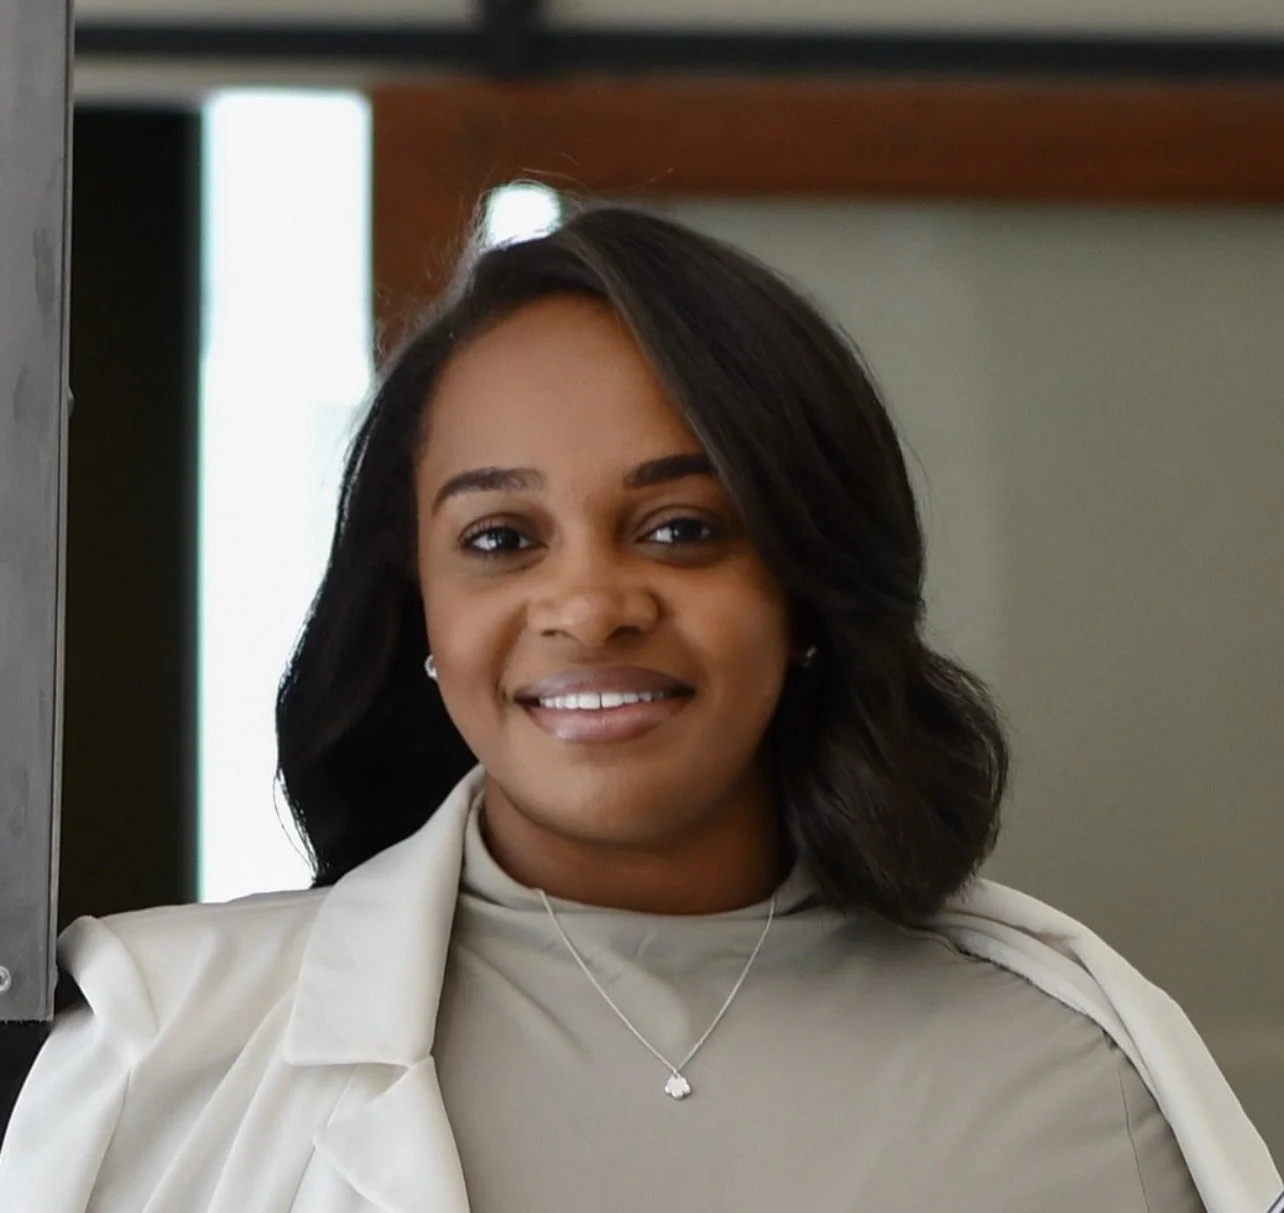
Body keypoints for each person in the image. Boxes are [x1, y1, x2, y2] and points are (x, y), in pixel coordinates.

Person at [0, 203, 1278, 1213]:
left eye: (682, 528)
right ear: (419, 617)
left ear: (808, 586)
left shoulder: (1073, 1075)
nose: (592, 603)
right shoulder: (160, 1052)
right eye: (501, 538)